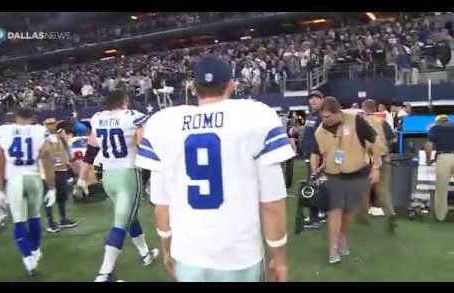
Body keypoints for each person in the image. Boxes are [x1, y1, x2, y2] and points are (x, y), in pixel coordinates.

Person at [136, 56, 293, 282]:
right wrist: (278, 258)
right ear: (232, 85)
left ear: (192, 88)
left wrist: (166, 248)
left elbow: (161, 205)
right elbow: (272, 203)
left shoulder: (163, 123)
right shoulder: (256, 116)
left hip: (187, 253)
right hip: (239, 254)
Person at [76, 90, 158, 282]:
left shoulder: (98, 118)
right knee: (121, 223)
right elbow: (143, 146)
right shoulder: (133, 117)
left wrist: (82, 178)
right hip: (128, 175)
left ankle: (145, 254)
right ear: (125, 101)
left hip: (108, 177)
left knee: (130, 217)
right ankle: (105, 273)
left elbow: (91, 149)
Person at [310, 97, 382, 264]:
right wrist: (315, 172)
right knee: (335, 211)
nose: (324, 120)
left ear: (338, 113)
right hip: (334, 176)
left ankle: (342, 235)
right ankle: (332, 249)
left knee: (348, 213)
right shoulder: (320, 131)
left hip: (358, 175)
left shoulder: (356, 121)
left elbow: (374, 140)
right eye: (322, 116)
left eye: (327, 116)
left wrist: (376, 167)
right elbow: (315, 153)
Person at [0, 108, 57, 274]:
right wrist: (52, 187)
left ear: (15, 117)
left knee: (19, 222)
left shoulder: (4, 131)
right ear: (33, 117)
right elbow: (48, 159)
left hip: (14, 180)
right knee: (34, 217)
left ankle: (28, 259)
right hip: (33, 178)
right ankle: (35, 250)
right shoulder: (39, 131)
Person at [360, 100, 397, 234]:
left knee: (363, 187)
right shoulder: (382, 121)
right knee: (383, 189)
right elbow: (393, 139)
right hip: (383, 156)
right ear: (375, 108)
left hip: (366, 158)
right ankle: (391, 213)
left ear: (363, 108)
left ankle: (363, 216)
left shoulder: (360, 121)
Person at [43, 118, 79, 233]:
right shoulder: (43, 138)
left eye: (53, 124)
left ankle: (63, 219)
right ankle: (50, 222)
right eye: (49, 124)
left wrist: (70, 159)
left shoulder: (60, 136)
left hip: (61, 169)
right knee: (49, 196)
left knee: (62, 195)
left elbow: (67, 148)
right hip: (49, 171)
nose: (51, 126)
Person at [300, 90, 325, 229]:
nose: (313, 101)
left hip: (317, 156)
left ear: (322, 100)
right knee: (318, 186)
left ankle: (314, 218)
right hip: (310, 154)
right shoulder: (311, 115)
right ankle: (321, 213)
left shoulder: (323, 116)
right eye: (311, 99)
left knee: (312, 186)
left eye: (316, 98)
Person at [425, 115, 454, 222]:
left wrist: (428, 159)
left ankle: (441, 216)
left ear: (437, 121)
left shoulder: (435, 128)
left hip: (444, 158)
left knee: (441, 189)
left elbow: (429, 145)